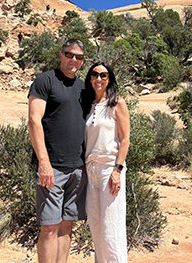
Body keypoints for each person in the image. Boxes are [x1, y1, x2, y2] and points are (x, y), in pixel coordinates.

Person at [28, 39, 87, 263]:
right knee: (50, 227)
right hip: (52, 167)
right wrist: (43, 162)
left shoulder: (83, 87)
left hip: (78, 168)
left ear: (82, 61)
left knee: (66, 225)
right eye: (69, 54)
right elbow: (34, 121)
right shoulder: (45, 81)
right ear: (60, 55)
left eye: (79, 57)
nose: (73, 60)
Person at [83, 62, 130, 263]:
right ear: (90, 78)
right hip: (90, 170)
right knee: (96, 224)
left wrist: (117, 170)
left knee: (111, 227)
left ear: (109, 79)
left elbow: (125, 139)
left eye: (103, 75)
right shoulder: (87, 104)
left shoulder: (117, 103)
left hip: (109, 169)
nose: (99, 79)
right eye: (95, 74)